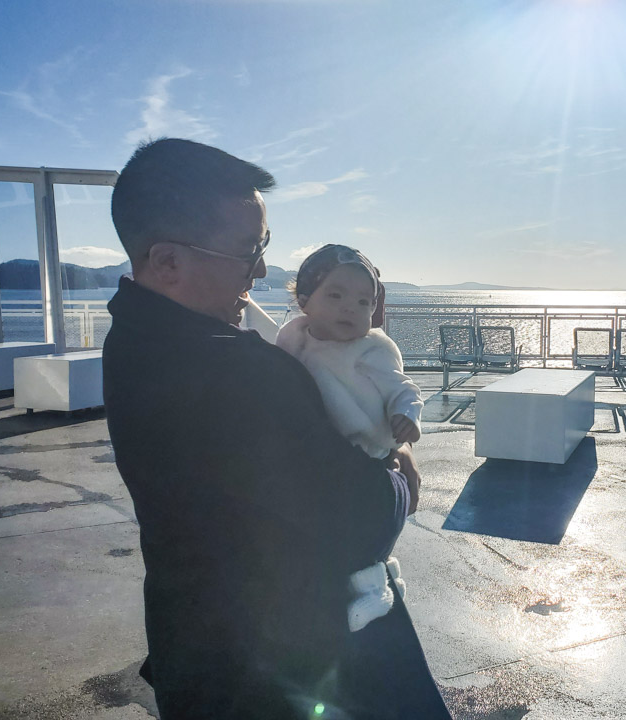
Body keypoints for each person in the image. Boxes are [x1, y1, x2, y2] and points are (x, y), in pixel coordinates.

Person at [103, 137, 451, 719]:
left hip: (196, 647)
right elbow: (359, 521)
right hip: (280, 672)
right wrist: (396, 472)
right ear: (168, 262)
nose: (262, 270)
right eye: (247, 250)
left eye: (263, 245)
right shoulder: (234, 373)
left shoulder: (132, 339)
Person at [275, 245, 422, 633]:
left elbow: (403, 387)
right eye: (336, 296)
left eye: (363, 302)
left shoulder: (373, 347)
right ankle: (383, 575)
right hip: (329, 452)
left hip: (370, 452)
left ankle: (375, 594)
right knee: (351, 537)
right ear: (304, 301)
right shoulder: (293, 338)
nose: (350, 309)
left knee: (363, 530)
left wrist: (407, 416)